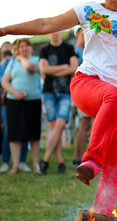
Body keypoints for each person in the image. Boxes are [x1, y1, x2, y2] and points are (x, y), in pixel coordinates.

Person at [0, 0, 117, 216]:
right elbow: (47, 24)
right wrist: (6, 30)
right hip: (88, 83)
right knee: (113, 97)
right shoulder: (88, 10)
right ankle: (91, 159)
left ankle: (100, 213)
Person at [38, 31, 78, 174]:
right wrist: (63, 68)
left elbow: (74, 68)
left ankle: (45, 160)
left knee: (60, 124)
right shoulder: (44, 49)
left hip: (64, 92)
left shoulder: (68, 48)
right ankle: (61, 162)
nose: (55, 33)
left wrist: (52, 70)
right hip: (48, 91)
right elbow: (43, 69)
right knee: (54, 126)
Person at [1, 38, 42, 174]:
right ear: (18, 49)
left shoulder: (36, 60)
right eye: (21, 47)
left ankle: (36, 165)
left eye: (27, 46)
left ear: (31, 48)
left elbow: (30, 69)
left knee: (34, 135)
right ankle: (15, 165)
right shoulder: (11, 63)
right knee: (14, 134)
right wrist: (15, 92)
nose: (24, 48)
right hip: (14, 101)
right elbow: (5, 81)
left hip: (33, 101)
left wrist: (20, 58)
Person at [72, 27, 93, 167]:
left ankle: (83, 157)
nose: (85, 36)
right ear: (77, 34)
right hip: (83, 90)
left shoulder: (90, 50)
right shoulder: (75, 52)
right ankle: (78, 157)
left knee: (89, 124)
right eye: (82, 33)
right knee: (84, 123)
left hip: (93, 88)